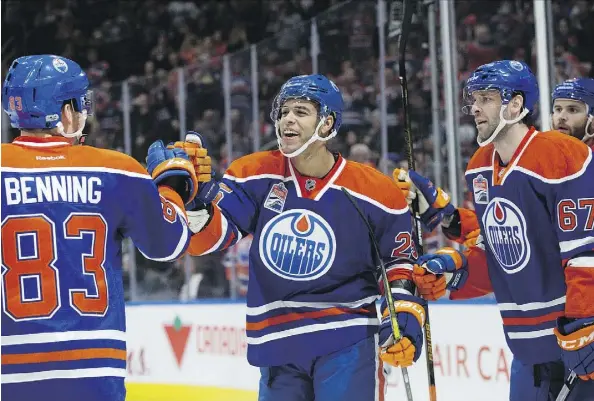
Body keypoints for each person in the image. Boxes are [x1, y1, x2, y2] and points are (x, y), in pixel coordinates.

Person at [159, 74, 427, 401]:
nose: (287, 118)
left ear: (327, 124)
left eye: (301, 111)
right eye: (284, 111)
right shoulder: (255, 173)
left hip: (347, 337)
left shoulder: (376, 192)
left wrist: (403, 320)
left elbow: (398, 264)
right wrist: (195, 199)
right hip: (277, 341)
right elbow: (215, 237)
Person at [0, 55, 213, 401]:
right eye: (80, 103)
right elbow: (167, 245)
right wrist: (171, 188)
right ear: (66, 112)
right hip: (94, 372)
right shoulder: (117, 170)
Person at [395, 61, 594, 400]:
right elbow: (500, 252)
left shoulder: (563, 157)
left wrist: (583, 324)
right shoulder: (480, 167)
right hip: (524, 346)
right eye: (473, 98)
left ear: (515, 105)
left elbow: (583, 252)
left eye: (486, 98)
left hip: (574, 341)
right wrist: (452, 268)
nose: (474, 107)